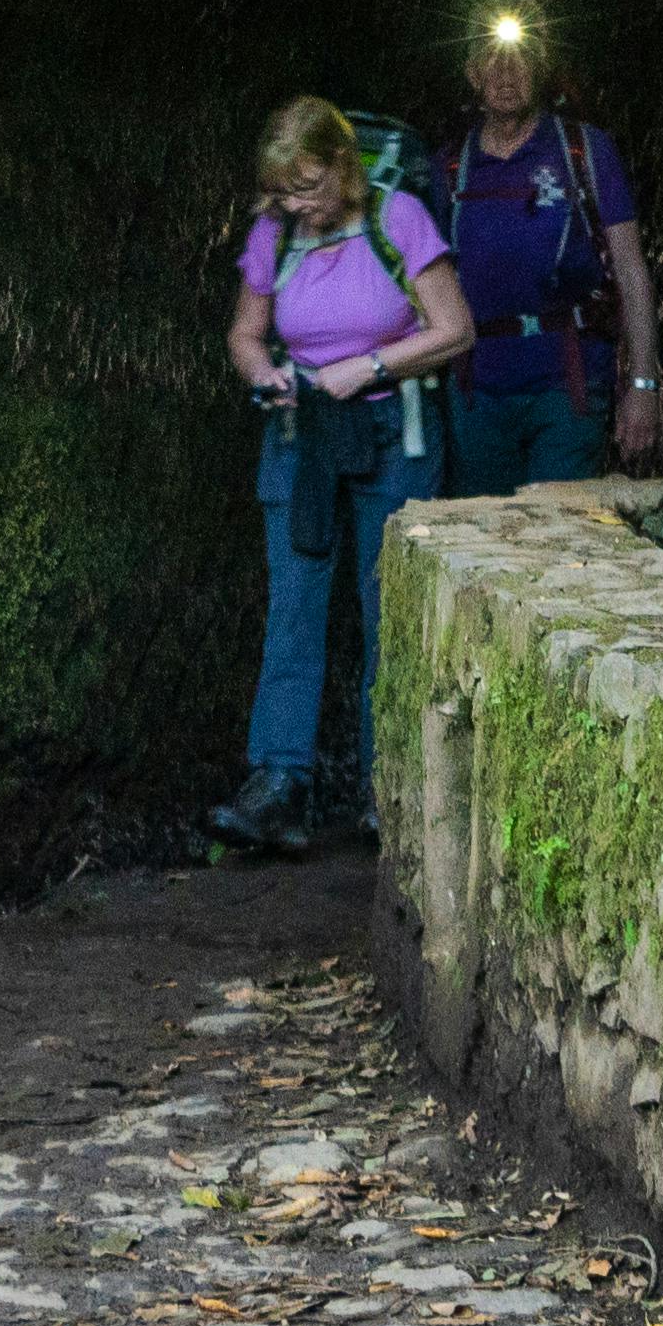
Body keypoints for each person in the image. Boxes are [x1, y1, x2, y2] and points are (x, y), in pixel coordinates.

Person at [213, 93, 470, 854]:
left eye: (309, 184)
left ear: (342, 165)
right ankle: (278, 783)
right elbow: (245, 334)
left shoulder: (399, 221)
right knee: (294, 609)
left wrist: (373, 364)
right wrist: (264, 374)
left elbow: (455, 329)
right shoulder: (276, 233)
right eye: (285, 189)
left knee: (387, 610)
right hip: (302, 434)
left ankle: (384, 790)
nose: (298, 202)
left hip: (395, 431)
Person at [423, 19, 660, 495]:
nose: (506, 73)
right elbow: (424, 279)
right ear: (472, 74)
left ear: (540, 67)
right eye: (491, 60)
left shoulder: (585, 151)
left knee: (561, 532)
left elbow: (632, 272)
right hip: (478, 389)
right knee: (485, 542)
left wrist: (643, 386)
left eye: (520, 58)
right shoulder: (450, 166)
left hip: (567, 383)